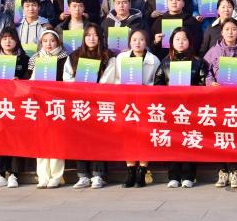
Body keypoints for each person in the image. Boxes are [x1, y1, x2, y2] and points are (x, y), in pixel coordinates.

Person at [63, 24, 116, 189]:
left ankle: (98, 175)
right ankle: (83, 175)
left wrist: (93, 88)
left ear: (100, 37)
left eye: (95, 35)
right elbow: (67, 78)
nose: (91, 38)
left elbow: (108, 79)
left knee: (99, 138)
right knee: (80, 138)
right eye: (88, 35)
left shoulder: (108, 56)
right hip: (80, 103)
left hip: (100, 103)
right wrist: (80, 87)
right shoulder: (74, 56)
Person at [204, 19, 237, 188]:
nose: (230, 32)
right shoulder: (213, 51)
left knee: (235, 134)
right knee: (220, 134)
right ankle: (223, 171)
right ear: (222, 32)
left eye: (233, 29)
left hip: (236, 100)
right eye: (227, 29)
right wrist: (210, 82)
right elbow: (207, 71)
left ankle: (235, 171)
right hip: (218, 98)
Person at [107, 29, 160, 188]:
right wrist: (123, 86)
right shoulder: (121, 58)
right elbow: (115, 79)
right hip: (126, 102)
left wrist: (146, 87)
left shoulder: (153, 60)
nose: (138, 42)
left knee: (144, 136)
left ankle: (142, 171)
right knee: (128, 136)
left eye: (141, 39)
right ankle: (130, 170)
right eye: (134, 39)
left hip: (145, 103)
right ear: (129, 42)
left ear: (146, 42)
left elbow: (157, 83)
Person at [154, 27, 206, 188]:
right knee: (174, 141)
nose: (181, 42)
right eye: (177, 39)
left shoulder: (197, 61)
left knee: (190, 140)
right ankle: (174, 176)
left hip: (191, 108)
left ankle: (189, 175)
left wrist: (192, 92)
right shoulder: (165, 61)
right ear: (171, 42)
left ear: (189, 42)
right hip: (172, 109)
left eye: (184, 39)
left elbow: (203, 83)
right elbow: (158, 83)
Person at [0, 28, 29, 189]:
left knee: (16, 138)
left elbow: (31, 80)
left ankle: (14, 174)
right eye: (4, 38)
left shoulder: (25, 59)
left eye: (11, 38)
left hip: (18, 105)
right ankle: (0, 174)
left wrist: (20, 81)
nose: (8, 41)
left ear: (17, 41)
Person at [28, 29, 69, 188]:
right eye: (45, 41)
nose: (49, 44)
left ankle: (56, 176)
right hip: (40, 104)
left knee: (56, 140)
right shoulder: (36, 58)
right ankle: (43, 177)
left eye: (52, 40)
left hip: (57, 103)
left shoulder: (65, 58)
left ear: (58, 42)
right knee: (41, 139)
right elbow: (31, 80)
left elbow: (67, 80)